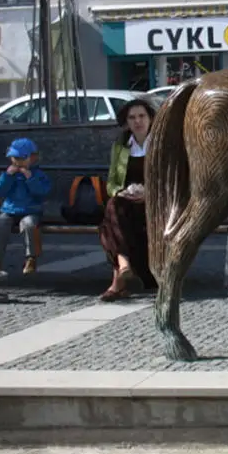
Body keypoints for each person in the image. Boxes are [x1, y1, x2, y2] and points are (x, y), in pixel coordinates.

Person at [98, 98, 157, 301]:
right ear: (126, 121)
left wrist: (148, 193)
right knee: (114, 205)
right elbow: (111, 183)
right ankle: (123, 265)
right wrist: (120, 192)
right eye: (132, 117)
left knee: (109, 226)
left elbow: (171, 179)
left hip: (154, 202)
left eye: (141, 116)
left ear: (150, 118)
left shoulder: (160, 143)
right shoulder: (121, 146)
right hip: (127, 202)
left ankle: (119, 278)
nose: (137, 121)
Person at [0, 137, 52, 275]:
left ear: (32, 158)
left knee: (30, 225)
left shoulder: (38, 175)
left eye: (21, 158)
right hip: (10, 210)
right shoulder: (9, 174)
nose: (17, 162)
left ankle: (31, 258)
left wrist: (30, 179)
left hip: (31, 210)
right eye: (14, 158)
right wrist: (7, 176)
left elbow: (42, 192)